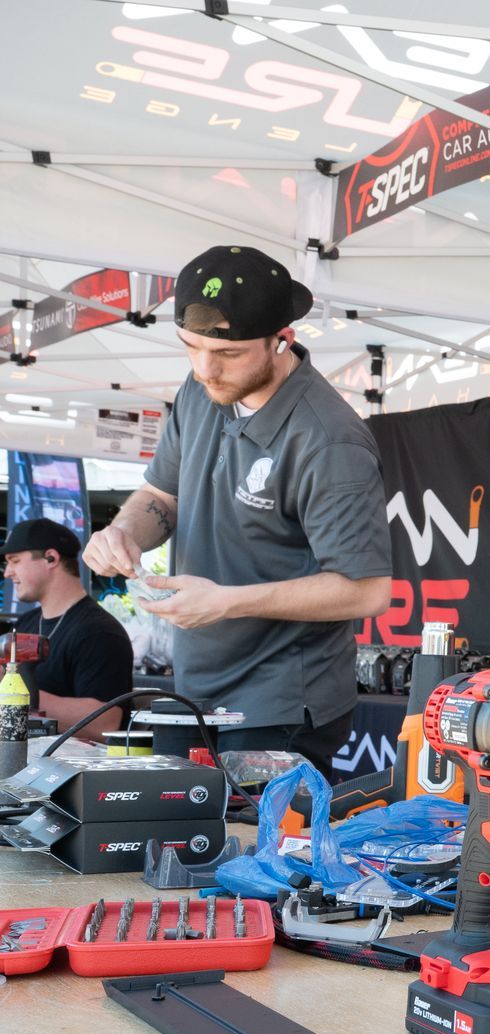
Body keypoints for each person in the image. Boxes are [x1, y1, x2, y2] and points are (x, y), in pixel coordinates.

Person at [82, 245, 391, 770]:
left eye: (227, 355)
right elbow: (162, 494)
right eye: (190, 348)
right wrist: (126, 532)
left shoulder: (328, 440)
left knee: (247, 849)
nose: (205, 369)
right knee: (174, 843)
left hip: (280, 701)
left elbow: (366, 590)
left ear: (281, 340)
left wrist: (227, 602)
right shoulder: (202, 389)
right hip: (195, 690)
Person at [2, 518, 133, 740]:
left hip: (68, 770)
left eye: (14, 561)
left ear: (51, 558)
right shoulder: (26, 623)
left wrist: (12, 694)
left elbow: (105, 722)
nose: (7, 573)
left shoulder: (99, 632)